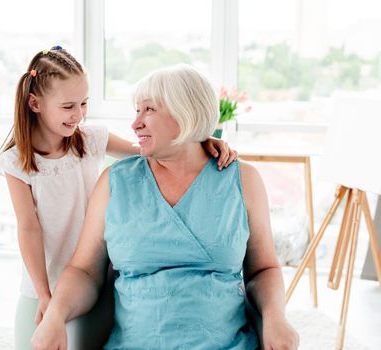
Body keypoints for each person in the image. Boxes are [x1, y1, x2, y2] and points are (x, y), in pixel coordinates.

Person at [31, 64, 300, 350]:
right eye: (137, 111)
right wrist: (55, 315)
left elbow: (263, 269)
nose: (136, 124)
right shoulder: (115, 182)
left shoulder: (243, 179)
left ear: (185, 113)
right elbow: (84, 271)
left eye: (149, 110)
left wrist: (276, 318)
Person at [0, 46, 238, 350]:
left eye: (84, 103)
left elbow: (149, 150)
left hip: (97, 272)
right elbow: (28, 228)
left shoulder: (90, 138)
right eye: (69, 106)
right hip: (46, 278)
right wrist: (45, 296)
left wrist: (199, 138)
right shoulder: (17, 161)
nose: (79, 114)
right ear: (35, 103)